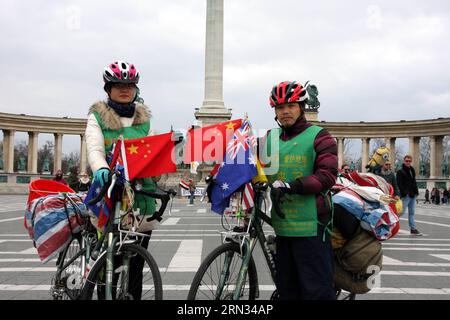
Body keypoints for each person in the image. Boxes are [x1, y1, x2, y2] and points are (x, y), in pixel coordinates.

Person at [260, 80, 338, 300]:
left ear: (301, 107)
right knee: (288, 291)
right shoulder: (269, 138)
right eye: (280, 107)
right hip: (283, 226)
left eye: (291, 106)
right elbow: (246, 162)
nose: (285, 112)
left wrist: (291, 185)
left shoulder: (320, 136)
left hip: (312, 226)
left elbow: (327, 175)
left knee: (316, 292)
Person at [85, 60, 156, 299]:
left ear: (136, 88)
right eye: (117, 84)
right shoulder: (98, 116)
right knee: (110, 264)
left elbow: (153, 151)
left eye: (130, 84)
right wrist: (101, 169)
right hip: (110, 191)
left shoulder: (145, 119)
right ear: (108, 88)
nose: (124, 89)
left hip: (140, 196)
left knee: (136, 265)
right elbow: (94, 148)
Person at [396, 155, 421, 235]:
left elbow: (414, 182)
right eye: (406, 161)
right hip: (406, 195)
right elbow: (399, 184)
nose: (408, 162)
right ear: (404, 161)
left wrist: (416, 192)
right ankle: (391, 225)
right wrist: (404, 193)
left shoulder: (412, 170)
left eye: (409, 161)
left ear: (411, 161)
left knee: (412, 213)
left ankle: (413, 229)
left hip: (413, 194)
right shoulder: (400, 171)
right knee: (400, 212)